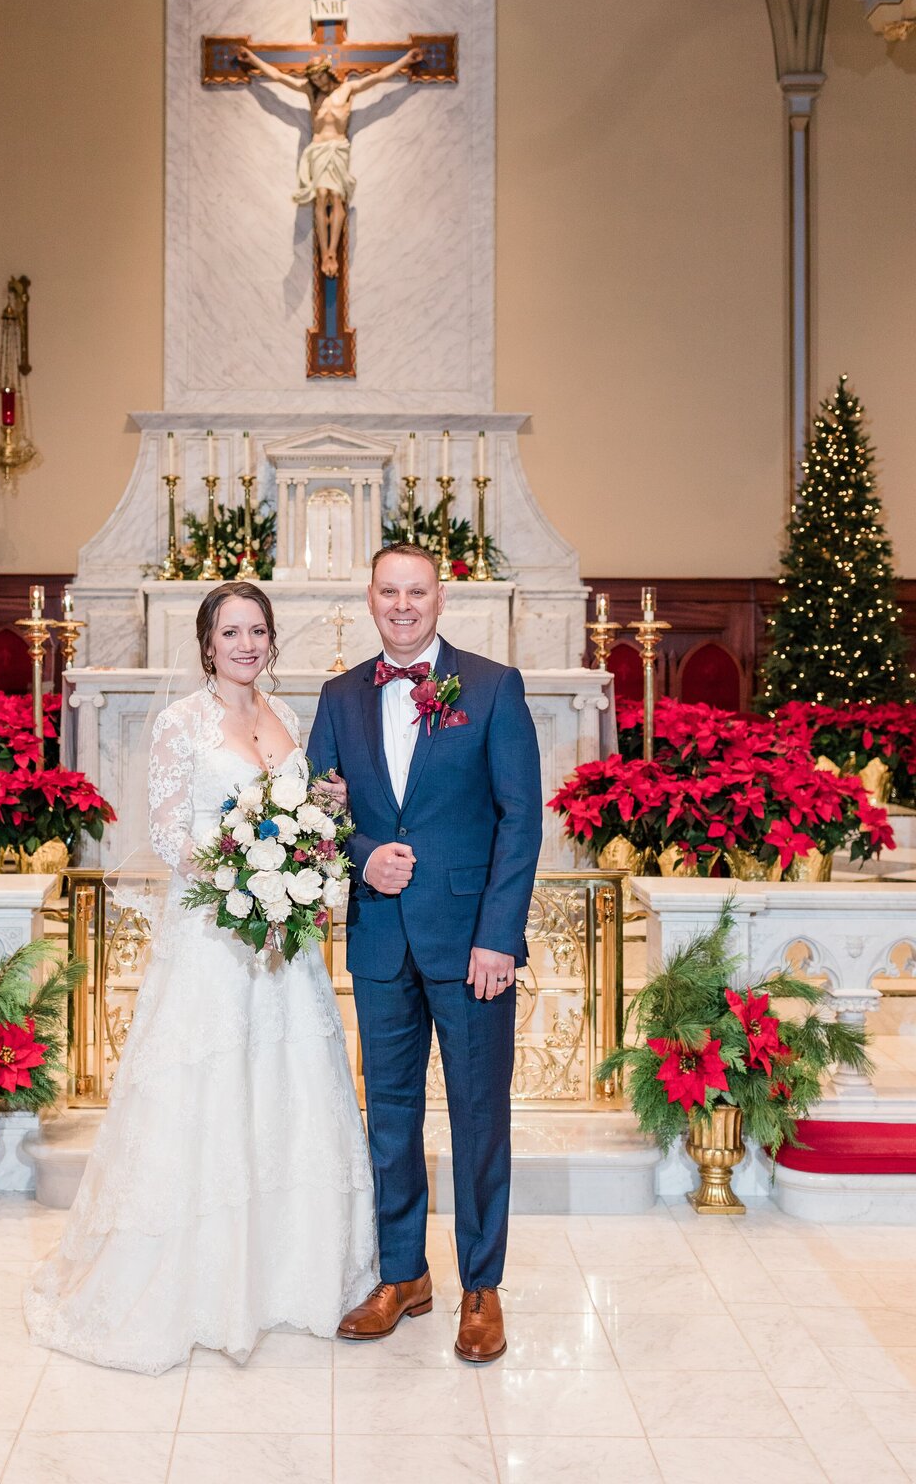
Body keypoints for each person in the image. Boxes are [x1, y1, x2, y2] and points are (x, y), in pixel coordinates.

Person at [24, 581, 376, 1373]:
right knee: (210, 1095)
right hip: (216, 938)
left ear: (271, 640)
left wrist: (308, 844)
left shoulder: (286, 719)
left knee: (284, 1090)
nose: (246, 644)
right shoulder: (180, 722)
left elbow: (310, 812)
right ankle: (206, 1285)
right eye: (231, 632)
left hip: (282, 946)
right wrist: (247, 871)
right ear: (207, 644)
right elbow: (171, 832)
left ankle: (290, 1276)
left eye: (258, 630)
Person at [307, 543, 543, 1364]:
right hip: (379, 938)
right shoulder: (339, 696)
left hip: (471, 945)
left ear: (441, 599)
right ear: (369, 599)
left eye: (417, 591)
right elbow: (317, 812)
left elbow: (521, 818)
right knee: (392, 1117)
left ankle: (482, 1288)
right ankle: (403, 1273)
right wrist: (363, 850)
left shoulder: (491, 686)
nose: (402, 605)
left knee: (479, 1117)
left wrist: (498, 936)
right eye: (388, 592)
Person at [237, 45, 422, 276]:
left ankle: (333, 251)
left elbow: (380, 77)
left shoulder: (347, 90)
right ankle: (324, 252)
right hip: (318, 150)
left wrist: (406, 59)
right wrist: (252, 58)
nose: (318, 82)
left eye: (320, 76)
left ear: (328, 72)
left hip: (338, 149)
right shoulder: (310, 92)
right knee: (321, 196)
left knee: (336, 197)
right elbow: (277, 77)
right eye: (314, 78)